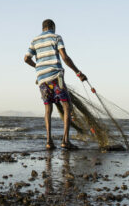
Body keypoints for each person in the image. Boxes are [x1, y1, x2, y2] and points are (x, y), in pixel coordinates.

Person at [24, 19, 87, 150]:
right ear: (52, 27)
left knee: (48, 109)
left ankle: (49, 142)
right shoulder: (56, 37)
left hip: (42, 79)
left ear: (43, 28)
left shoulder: (35, 40)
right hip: (56, 77)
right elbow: (65, 57)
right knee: (67, 106)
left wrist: (38, 67)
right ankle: (65, 141)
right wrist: (78, 72)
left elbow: (26, 58)